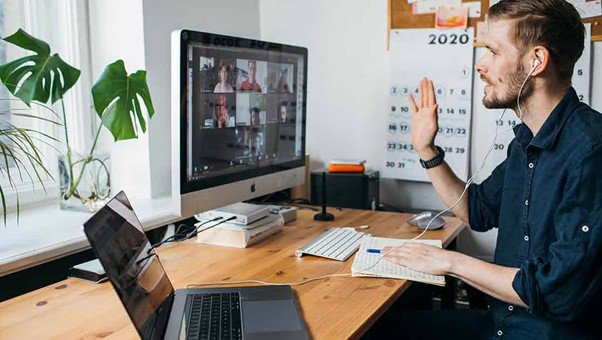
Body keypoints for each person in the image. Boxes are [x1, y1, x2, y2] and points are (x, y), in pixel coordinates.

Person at [381, 0, 602, 338]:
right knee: (382, 329)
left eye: (493, 52)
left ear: (536, 61)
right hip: (502, 325)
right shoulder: (525, 142)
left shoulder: (591, 150)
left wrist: (450, 263)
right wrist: (427, 150)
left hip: (542, 334)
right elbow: (477, 211)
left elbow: (556, 292)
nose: (481, 66)